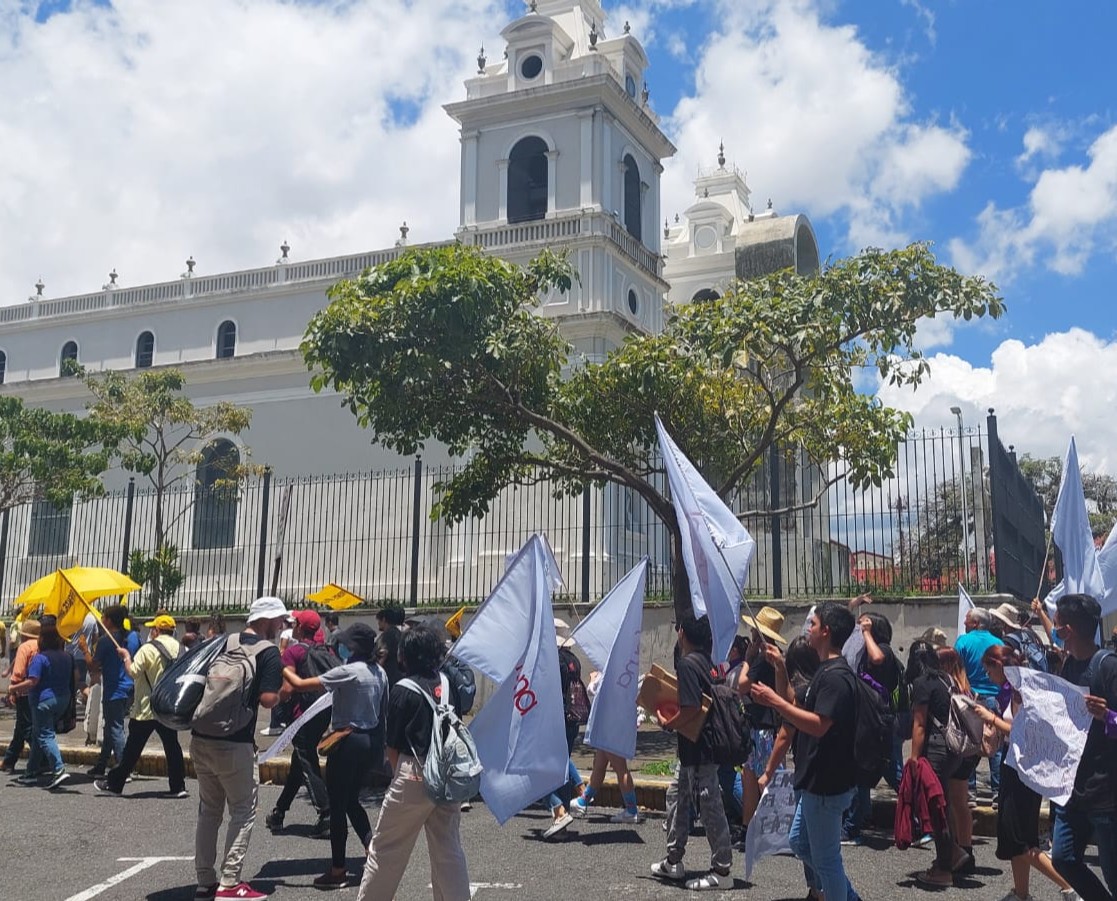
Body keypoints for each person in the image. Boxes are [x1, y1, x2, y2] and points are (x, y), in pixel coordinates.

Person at [750, 601, 863, 901]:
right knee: (800, 843)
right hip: (815, 781)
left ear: (825, 631)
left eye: (812, 624)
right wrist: (779, 667)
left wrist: (774, 701)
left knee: (827, 861)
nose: (807, 630)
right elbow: (797, 706)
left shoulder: (837, 677)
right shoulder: (825, 672)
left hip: (827, 784)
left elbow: (817, 724)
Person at [356, 625, 469, 900]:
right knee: (448, 849)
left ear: (405, 655)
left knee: (386, 850)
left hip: (413, 772)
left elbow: (392, 747)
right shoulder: (446, 683)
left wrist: (399, 778)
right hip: (446, 773)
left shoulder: (403, 690)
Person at [191, 595, 287, 901]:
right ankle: (230, 883)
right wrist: (285, 691)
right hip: (235, 743)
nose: (282, 625)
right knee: (243, 812)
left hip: (201, 736)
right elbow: (268, 700)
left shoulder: (223, 641)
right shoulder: (268, 652)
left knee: (209, 812)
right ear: (267, 620)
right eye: (279, 620)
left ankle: (205, 882)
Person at [282, 621, 388, 889]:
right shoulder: (379, 672)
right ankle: (371, 849)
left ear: (352, 647)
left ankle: (338, 869)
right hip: (371, 742)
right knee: (352, 800)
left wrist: (280, 661)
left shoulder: (348, 671)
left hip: (347, 741)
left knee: (338, 806)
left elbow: (302, 684)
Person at [972, 644, 1079, 901]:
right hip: (1015, 768)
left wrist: (991, 718)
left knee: (1021, 840)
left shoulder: (1021, 691)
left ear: (999, 665)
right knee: (1015, 839)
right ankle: (1021, 893)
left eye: (989, 670)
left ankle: (1070, 888)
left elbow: (1023, 732)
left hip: (1025, 773)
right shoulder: (1009, 692)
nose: (988, 676)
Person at [650, 613, 733, 892]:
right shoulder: (710, 664)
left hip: (699, 749)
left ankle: (722, 869)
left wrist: (667, 724)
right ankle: (673, 860)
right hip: (698, 748)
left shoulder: (687, 665)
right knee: (678, 798)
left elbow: (692, 708)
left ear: (683, 633)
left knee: (709, 806)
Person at [1049, 593, 1117, 899]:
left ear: (1068, 630)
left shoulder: (1108, 666)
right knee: (1063, 857)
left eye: (1057, 624)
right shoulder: (1067, 666)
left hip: (1107, 792)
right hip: (1073, 789)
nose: (1054, 629)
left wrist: (1109, 716)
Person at [757, 635, 822, 900]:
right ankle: (817, 888)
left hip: (813, 777)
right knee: (810, 840)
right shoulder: (815, 686)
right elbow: (787, 701)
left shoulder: (806, 693)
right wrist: (780, 668)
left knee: (802, 840)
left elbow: (786, 732)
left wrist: (767, 772)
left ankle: (828, 886)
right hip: (813, 773)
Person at [906, 640, 975, 887]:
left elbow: (920, 724)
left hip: (934, 750)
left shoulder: (921, 684)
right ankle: (950, 854)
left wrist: (914, 758)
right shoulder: (946, 680)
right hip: (952, 750)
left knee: (935, 808)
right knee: (942, 804)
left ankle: (946, 866)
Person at [94, 613, 186, 798]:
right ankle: (178, 786)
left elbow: (133, 672)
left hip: (146, 706)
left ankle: (115, 783)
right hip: (167, 706)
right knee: (172, 747)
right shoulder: (181, 649)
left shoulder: (148, 649)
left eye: (153, 628)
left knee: (132, 750)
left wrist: (126, 657)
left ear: (157, 630)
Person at [267, 609, 334, 837]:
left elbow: (287, 688)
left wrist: (274, 700)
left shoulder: (293, 652)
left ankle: (326, 813)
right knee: (300, 762)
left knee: (306, 761)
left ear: (299, 627)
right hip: (323, 712)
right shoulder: (326, 651)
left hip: (301, 714)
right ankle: (279, 812)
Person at [844, 606, 901, 841]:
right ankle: (859, 818)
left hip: (878, 721)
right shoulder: (868, 650)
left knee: (887, 771)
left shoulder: (883, 651)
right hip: (871, 717)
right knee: (865, 770)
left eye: (865, 628)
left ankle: (852, 826)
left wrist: (867, 632)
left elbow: (877, 658)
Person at [737, 606, 787, 830]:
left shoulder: (761, 656)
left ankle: (758, 826)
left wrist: (747, 659)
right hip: (768, 725)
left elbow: (742, 684)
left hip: (762, 728)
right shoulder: (775, 656)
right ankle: (755, 826)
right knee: (752, 776)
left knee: (759, 779)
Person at [11, 616, 77, 789]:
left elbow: (32, 681)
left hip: (43, 700)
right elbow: (75, 678)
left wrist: (13, 688)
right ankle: (31, 771)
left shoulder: (40, 658)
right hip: (63, 699)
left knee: (45, 735)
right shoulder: (66, 657)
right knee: (38, 734)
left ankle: (58, 769)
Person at [569, 671, 641, 824]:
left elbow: (593, 690)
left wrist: (593, 678)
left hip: (610, 725)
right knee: (599, 764)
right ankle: (584, 800)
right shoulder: (625, 669)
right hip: (614, 723)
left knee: (620, 768)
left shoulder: (611, 671)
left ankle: (631, 809)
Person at [85, 604, 142, 777]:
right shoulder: (134, 636)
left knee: (115, 728)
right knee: (110, 726)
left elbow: (94, 666)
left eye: (103, 617)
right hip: (130, 687)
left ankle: (124, 767)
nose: (101, 620)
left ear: (109, 620)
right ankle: (101, 764)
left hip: (114, 690)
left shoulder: (105, 641)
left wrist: (84, 650)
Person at [955, 607, 1005, 802]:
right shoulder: (998, 642)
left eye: (967, 620)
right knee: (995, 745)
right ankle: (997, 791)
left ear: (975, 623)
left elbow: (957, 670)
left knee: (969, 744)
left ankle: (969, 789)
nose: (965, 623)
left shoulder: (963, 642)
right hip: (996, 699)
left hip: (971, 698)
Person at [1, 619, 40, 775]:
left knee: (26, 727)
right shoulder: (44, 646)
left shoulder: (24, 647)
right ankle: (9, 760)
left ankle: (43, 758)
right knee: (22, 727)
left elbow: (17, 673)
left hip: (24, 691)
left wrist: (12, 690)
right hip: (39, 691)